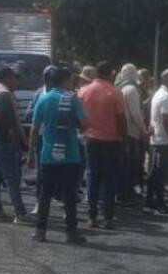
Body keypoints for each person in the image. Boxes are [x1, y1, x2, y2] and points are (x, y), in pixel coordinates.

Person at [27, 65, 89, 244]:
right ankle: (71, 232)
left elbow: (34, 128)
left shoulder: (43, 99)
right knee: (69, 195)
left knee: (45, 194)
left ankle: (40, 231)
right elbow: (85, 122)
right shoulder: (72, 99)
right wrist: (76, 125)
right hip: (70, 155)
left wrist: (31, 153)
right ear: (64, 80)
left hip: (48, 155)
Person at [79, 60, 128, 230]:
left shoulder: (84, 91)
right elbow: (121, 119)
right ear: (110, 74)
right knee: (109, 180)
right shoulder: (115, 92)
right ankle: (107, 217)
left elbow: (79, 117)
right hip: (111, 140)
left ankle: (92, 217)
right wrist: (124, 138)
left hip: (90, 140)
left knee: (92, 177)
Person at [0, 67, 31, 223]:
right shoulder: (4, 94)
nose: (16, 82)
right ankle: (20, 213)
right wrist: (9, 129)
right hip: (3, 141)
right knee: (12, 178)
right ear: (6, 78)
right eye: (14, 78)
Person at [145, 69, 168, 216]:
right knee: (161, 174)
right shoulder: (166, 97)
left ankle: (150, 202)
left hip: (157, 138)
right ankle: (159, 204)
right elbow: (166, 120)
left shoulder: (157, 94)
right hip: (164, 140)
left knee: (155, 173)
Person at [116, 64, 148, 205]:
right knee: (131, 165)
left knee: (123, 165)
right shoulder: (132, 89)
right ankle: (127, 194)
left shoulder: (119, 88)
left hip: (121, 131)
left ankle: (122, 193)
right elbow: (136, 113)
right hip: (131, 131)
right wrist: (143, 130)